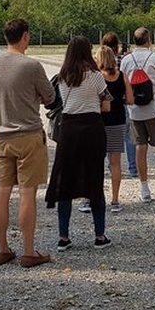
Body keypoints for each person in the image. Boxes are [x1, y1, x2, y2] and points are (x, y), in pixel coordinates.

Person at [0, 19, 56, 268]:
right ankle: (29, 250)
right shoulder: (32, 65)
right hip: (28, 133)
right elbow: (50, 97)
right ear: (25, 36)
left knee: (2, 191)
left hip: (1, 135)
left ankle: (3, 248)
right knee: (28, 193)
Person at [45, 36, 112, 251]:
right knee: (94, 179)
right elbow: (106, 104)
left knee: (65, 180)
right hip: (92, 127)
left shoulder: (63, 76)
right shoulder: (95, 76)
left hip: (69, 128)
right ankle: (99, 235)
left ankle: (63, 236)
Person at [120, 27, 155, 203]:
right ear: (149, 40)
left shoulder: (126, 60)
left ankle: (144, 189)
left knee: (140, 147)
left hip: (134, 111)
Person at [96, 44, 133, 212]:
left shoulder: (96, 77)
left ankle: (92, 198)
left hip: (99, 122)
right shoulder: (122, 76)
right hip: (118, 121)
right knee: (115, 163)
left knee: (96, 162)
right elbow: (131, 100)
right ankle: (115, 199)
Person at [102, 32, 137, 178]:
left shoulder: (99, 64)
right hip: (119, 106)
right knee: (128, 137)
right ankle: (132, 167)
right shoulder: (124, 59)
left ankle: (103, 166)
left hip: (103, 110)